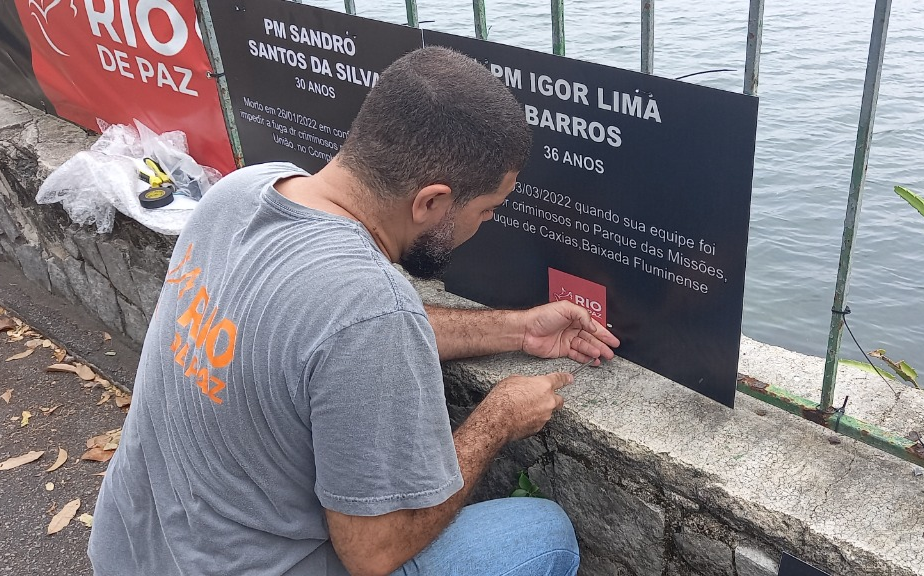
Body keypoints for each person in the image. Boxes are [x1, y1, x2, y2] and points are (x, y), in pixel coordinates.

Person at [88, 46, 619, 576]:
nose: (484, 225)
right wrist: (497, 421)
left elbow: (330, 337)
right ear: (431, 203)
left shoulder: (242, 191)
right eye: (486, 209)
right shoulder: (370, 311)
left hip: (130, 548)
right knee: (543, 534)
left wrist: (517, 330)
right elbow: (373, 552)